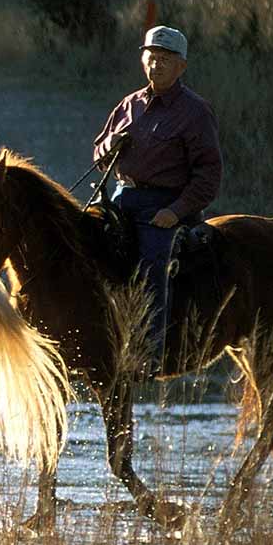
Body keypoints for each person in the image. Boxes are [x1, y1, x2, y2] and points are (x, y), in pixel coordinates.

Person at [90, 25, 222, 374]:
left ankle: (149, 353)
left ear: (182, 67)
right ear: (142, 59)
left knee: (151, 267)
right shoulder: (129, 104)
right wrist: (110, 145)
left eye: (166, 59)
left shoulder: (195, 112)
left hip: (164, 206)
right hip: (122, 198)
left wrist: (176, 211)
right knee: (83, 248)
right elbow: (98, 153)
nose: (157, 65)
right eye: (152, 57)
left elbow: (208, 174)